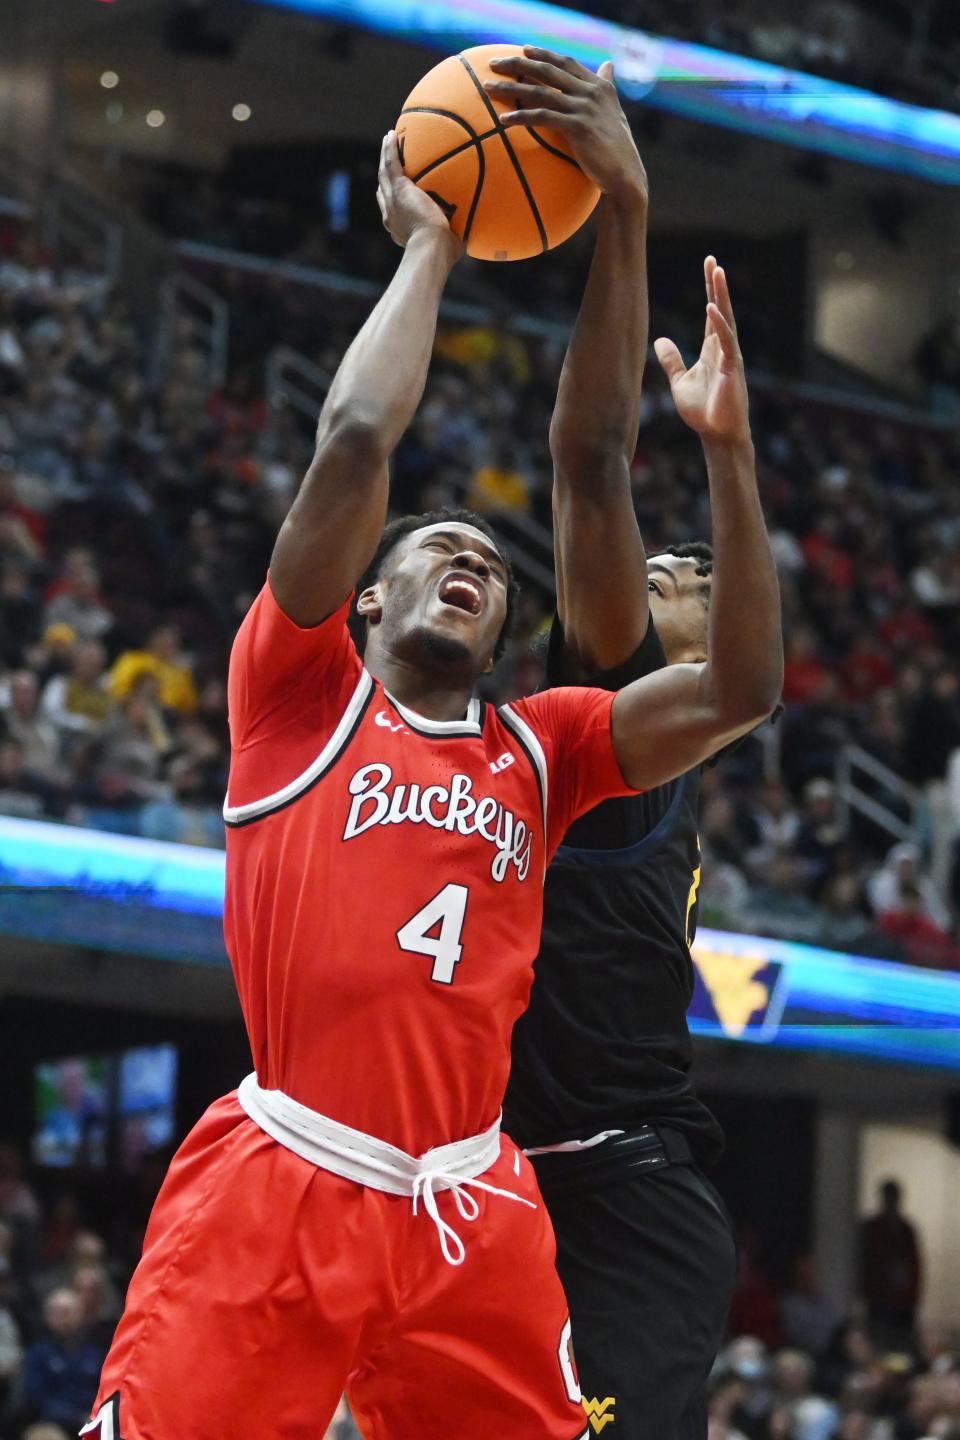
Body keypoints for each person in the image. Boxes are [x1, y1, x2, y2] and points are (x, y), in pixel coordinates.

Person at [87, 65, 780, 1440]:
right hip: (299, 1165)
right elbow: (356, 436)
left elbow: (745, 680)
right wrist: (429, 247)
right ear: (362, 604)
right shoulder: (299, 698)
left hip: (484, 1193)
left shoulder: (549, 743)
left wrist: (732, 453)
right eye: (433, 549)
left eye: (486, 560)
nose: (468, 557)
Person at [496, 51, 777, 1440]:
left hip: (620, 1198)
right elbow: (587, 458)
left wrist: (731, 458)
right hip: (498, 1181)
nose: (660, 559)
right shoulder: (603, 735)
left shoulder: (651, 750)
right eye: (659, 565)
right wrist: (626, 210)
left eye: (693, 566)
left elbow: (748, 672)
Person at [22, 1288, 104, 1433]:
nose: (65, 1318)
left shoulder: (94, 1352)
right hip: (54, 1425)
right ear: (48, 1316)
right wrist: (75, 1418)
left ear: (81, 1315)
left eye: (69, 1312)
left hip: (94, 1421)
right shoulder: (38, 1353)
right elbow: (38, 1400)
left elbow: (105, 1391)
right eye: (59, 1312)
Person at [859, 1178, 923, 1346]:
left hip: (903, 1300)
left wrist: (913, 1295)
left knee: (902, 1343)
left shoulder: (906, 1229)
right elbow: (867, 1263)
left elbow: (914, 1265)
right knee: (879, 1341)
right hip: (879, 1296)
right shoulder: (873, 1228)